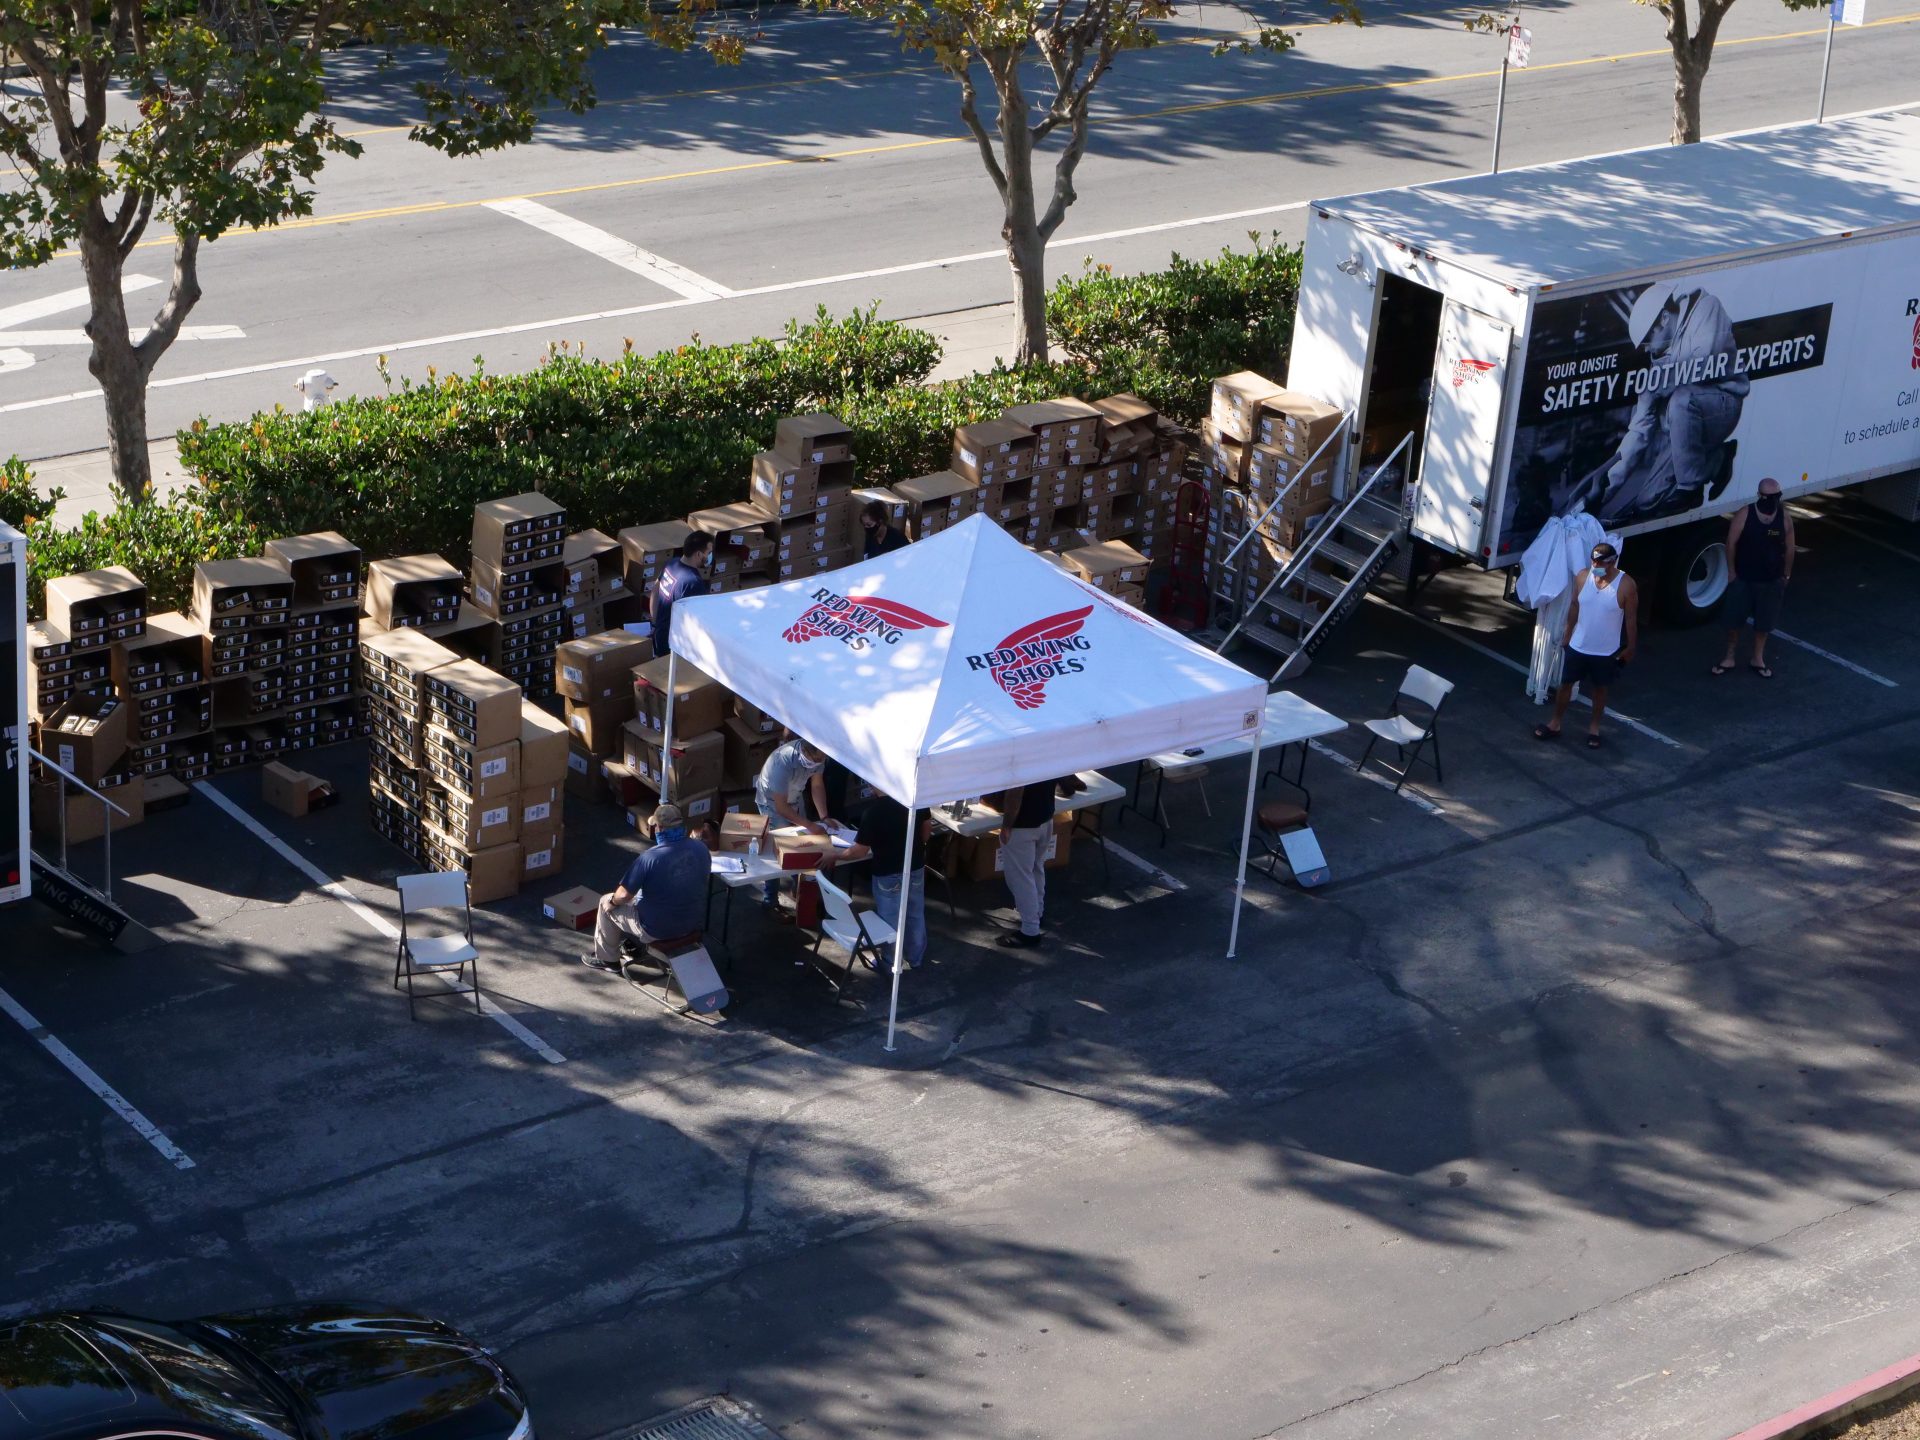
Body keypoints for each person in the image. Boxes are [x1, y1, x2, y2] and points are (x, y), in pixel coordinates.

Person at [1593, 281, 1749, 523]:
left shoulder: (1707, 308)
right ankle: (1717, 461)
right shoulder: (1658, 360)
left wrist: (1660, 385)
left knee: (1681, 399)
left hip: (1723, 405)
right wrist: (1604, 490)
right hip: (1685, 424)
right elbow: (1639, 431)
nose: (1646, 351)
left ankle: (1690, 490)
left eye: (1647, 340)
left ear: (1664, 318)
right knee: (1648, 502)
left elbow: (1703, 364)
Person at [1533, 540, 1638, 750]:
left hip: (1605, 651)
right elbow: (1574, 605)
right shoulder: (1583, 576)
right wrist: (1567, 633)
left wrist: (1630, 648)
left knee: (1600, 689)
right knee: (1565, 685)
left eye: (1601, 562)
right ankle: (1555, 723)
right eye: (1593, 561)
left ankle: (1594, 728)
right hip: (1578, 646)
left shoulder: (1626, 585)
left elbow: (1630, 620)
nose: (1596, 566)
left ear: (1613, 562)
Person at [583, 802, 710, 972]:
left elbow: (624, 895)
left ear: (660, 828)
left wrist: (612, 902)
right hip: (693, 922)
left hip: (657, 929)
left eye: (656, 826)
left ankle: (608, 960)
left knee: (606, 902)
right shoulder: (701, 848)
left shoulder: (650, 858)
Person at [835, 792, 930, 970]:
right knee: (915, 913)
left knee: (889, 918)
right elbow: (926, 831)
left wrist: (835, 856)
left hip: (887, 872)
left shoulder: (873, 812)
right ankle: (915, 957)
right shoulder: (916, 801)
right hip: (915, 866)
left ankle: (890, 961)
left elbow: (859, 851)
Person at [1714, 478, 1793, 679]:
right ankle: (1729, 656)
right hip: (1744, 579)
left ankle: (1757, 658)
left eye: (1776, 496)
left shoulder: (1784, 518)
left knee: (1764, 623)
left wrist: (1786, 574)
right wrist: (1731, 572)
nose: (1773, 500)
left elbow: (1790, 548)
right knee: (1733, 621)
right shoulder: (1745, 514)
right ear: (1759, 495)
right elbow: (1731, 543)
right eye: (1769, 497)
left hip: (1771, 581)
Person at [996, 776, 1081, 948]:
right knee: (1036, 868)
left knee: (1020, 878)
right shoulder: (1041, 750)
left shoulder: (1020, 757)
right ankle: (1037, 914)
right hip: (1045, 817)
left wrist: (1006, 826)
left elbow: (1016, 791)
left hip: (1023, 825)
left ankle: (1030, 930)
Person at [754, 737, 832, 907]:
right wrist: (810, 825)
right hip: (772, 803)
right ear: (805, 751)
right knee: (779, 850)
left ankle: (799, 891)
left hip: (794, 797)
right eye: (817, 759)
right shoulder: (782, 762)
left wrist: (824, 817)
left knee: (802, 845)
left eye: (823, 759)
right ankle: (770, 901)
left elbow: (817, 786)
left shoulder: (819, 754)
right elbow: (781, 808)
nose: (820, 762)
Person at [650, 532, 712, 657]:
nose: (710, 556)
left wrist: (655, 622)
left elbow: (655, 590)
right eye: (709, 552)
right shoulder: (693, 583)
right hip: (674, 647)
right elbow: (697, 622)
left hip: (660, 636)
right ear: (699, 554)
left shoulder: (671, 563)